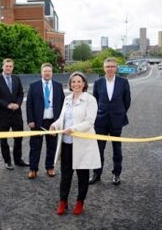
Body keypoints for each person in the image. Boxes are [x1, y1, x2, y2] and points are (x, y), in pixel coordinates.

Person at [50, 72, 101, 216]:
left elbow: (90, 121)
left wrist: (73, 129)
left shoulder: (90, 100)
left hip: (82, 144)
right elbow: (62, 119)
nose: (76, 84)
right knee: (65, 175)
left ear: (84, 83)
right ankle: (63, 201)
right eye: (73, 82)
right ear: (70, 84)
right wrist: (54, 125)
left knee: (82, 175)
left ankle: (80, 201)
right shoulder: (67, 99)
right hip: (66, 143)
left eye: (79, 81)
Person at [89, 58, 131, 186]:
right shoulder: (98, 82)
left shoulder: (123, 82)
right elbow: (94, 101)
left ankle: (116, 174)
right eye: (107, 66)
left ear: (116, 68)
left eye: (112, 66)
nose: (110, 69)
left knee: (116, 149)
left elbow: (127, 101)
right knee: (98, 149)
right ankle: (97, 174)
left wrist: (120, 113)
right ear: (104, 68)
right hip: (100, 121)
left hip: (116, 120)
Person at [26, 63, 65, 179]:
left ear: (52, 73)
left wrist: (61, 120)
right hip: (38, 121)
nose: (47, 73)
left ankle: (50, 167)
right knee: (35, 147)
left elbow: (63, 104)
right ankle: (33, 169)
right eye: (45, 71)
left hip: (53, 121)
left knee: (52, 146)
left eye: (49, 71)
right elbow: (29, 104)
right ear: (41, 72)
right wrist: (30, 120)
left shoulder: (58, 86)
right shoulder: (34, 86)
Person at [0, 58, 28, 170]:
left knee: (18, 138)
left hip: (16, 113)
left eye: (10, 66)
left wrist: (18, 104)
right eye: (6, 66)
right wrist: (7, 105)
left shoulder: (17, 78)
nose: (8, 68)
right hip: (3, 114)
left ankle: (18, 160)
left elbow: (21, 94)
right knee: (4, 139)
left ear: (13, 67)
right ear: (3, 67)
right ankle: (7, 161)